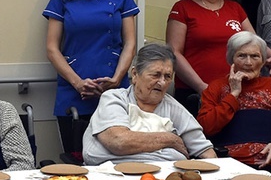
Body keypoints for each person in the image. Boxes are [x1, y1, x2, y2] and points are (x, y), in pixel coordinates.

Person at [43, 0, 139, 159]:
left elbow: (130, 43)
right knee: (77, 164)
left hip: (115, 93)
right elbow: (52, 48)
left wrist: (117, 79)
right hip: (74, 94)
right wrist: (78, 83)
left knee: (119, 161)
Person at [167, 0, 271, 107]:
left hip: (233, 91)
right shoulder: (183, 8)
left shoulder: (235, 8)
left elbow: (254, 43)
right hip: (194, 93)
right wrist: (201, 87)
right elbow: (174, 53)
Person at [197, 32, 271, 180]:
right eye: (242, 56)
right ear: (231, 60)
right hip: (228, 164)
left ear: (262, 62)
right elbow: (206, 127)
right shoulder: (217, 88)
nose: (248, 62)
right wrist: (233, 94)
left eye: (255, 56)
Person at [83, 43, 217, 165]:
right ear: (135, 74)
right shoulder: (114, 99)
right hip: (109, 176)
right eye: (156, 75)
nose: (162, 82)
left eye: (167, 76)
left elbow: (206, 152)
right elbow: (119, 142)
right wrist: (170, 140)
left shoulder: (174, 108)